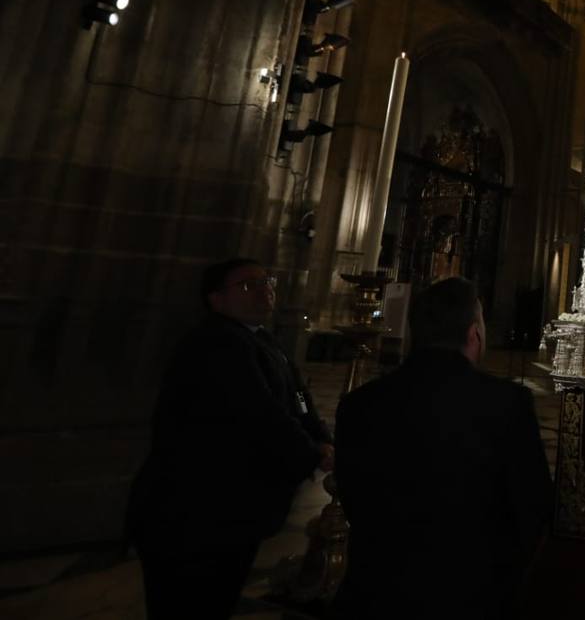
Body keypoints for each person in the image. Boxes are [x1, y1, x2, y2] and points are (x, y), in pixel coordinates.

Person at [125, 258, 333, 620]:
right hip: (195, 511)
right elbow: (258, 413)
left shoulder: (262, 340)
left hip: (229, 511)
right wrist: (312, 453)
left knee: (217, 599)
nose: (265, 289)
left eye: (267, 279)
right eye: (249, 285)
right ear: (216, 299)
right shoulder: (216, 343)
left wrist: (320, 437)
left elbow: (298, 399)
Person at [333, 277, 552, 620]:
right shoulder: (506, 403)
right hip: (469, 594)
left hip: (374, 590)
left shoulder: (358, 403)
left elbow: (351, 494)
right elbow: (532, 507)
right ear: (474, 334)